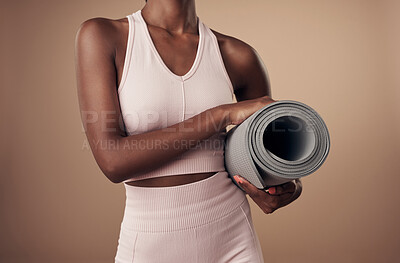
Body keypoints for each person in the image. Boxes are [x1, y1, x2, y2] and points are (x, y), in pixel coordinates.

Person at [74, 0, 302, 262]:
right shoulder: (103, 36)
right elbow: (112, 162)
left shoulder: (238, 55)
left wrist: (285, 186)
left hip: (234, 243)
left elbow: (266, 156)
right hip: (149, 246)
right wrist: (220, 114)